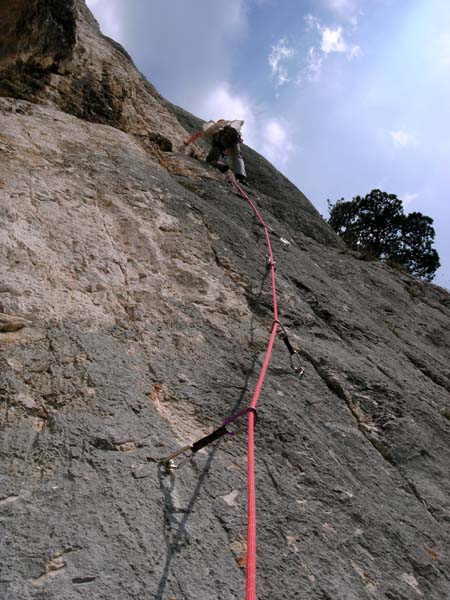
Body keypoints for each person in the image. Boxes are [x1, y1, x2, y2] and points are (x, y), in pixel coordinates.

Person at [181, 119, 249, 186]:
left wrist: (187, 143)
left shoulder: (214, 128)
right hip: (234, 141)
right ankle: (241, 176)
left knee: (210, 160)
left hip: (220, 142)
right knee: (237, 156)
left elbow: (197, 135)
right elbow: (229, 149)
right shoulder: (230, 128)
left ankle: (220, 165)